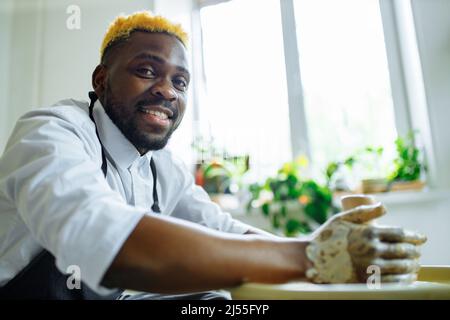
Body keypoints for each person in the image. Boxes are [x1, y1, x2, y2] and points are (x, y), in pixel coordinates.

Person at [0, 11, 426, 300]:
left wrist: (318, 246)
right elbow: (101, 237)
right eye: (146, 71)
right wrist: (309, 259)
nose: (167, 90)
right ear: (101, 79)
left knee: (222, 303)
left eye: (180, 82)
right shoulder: (52, 133)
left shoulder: (162, 167)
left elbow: (224, 231)